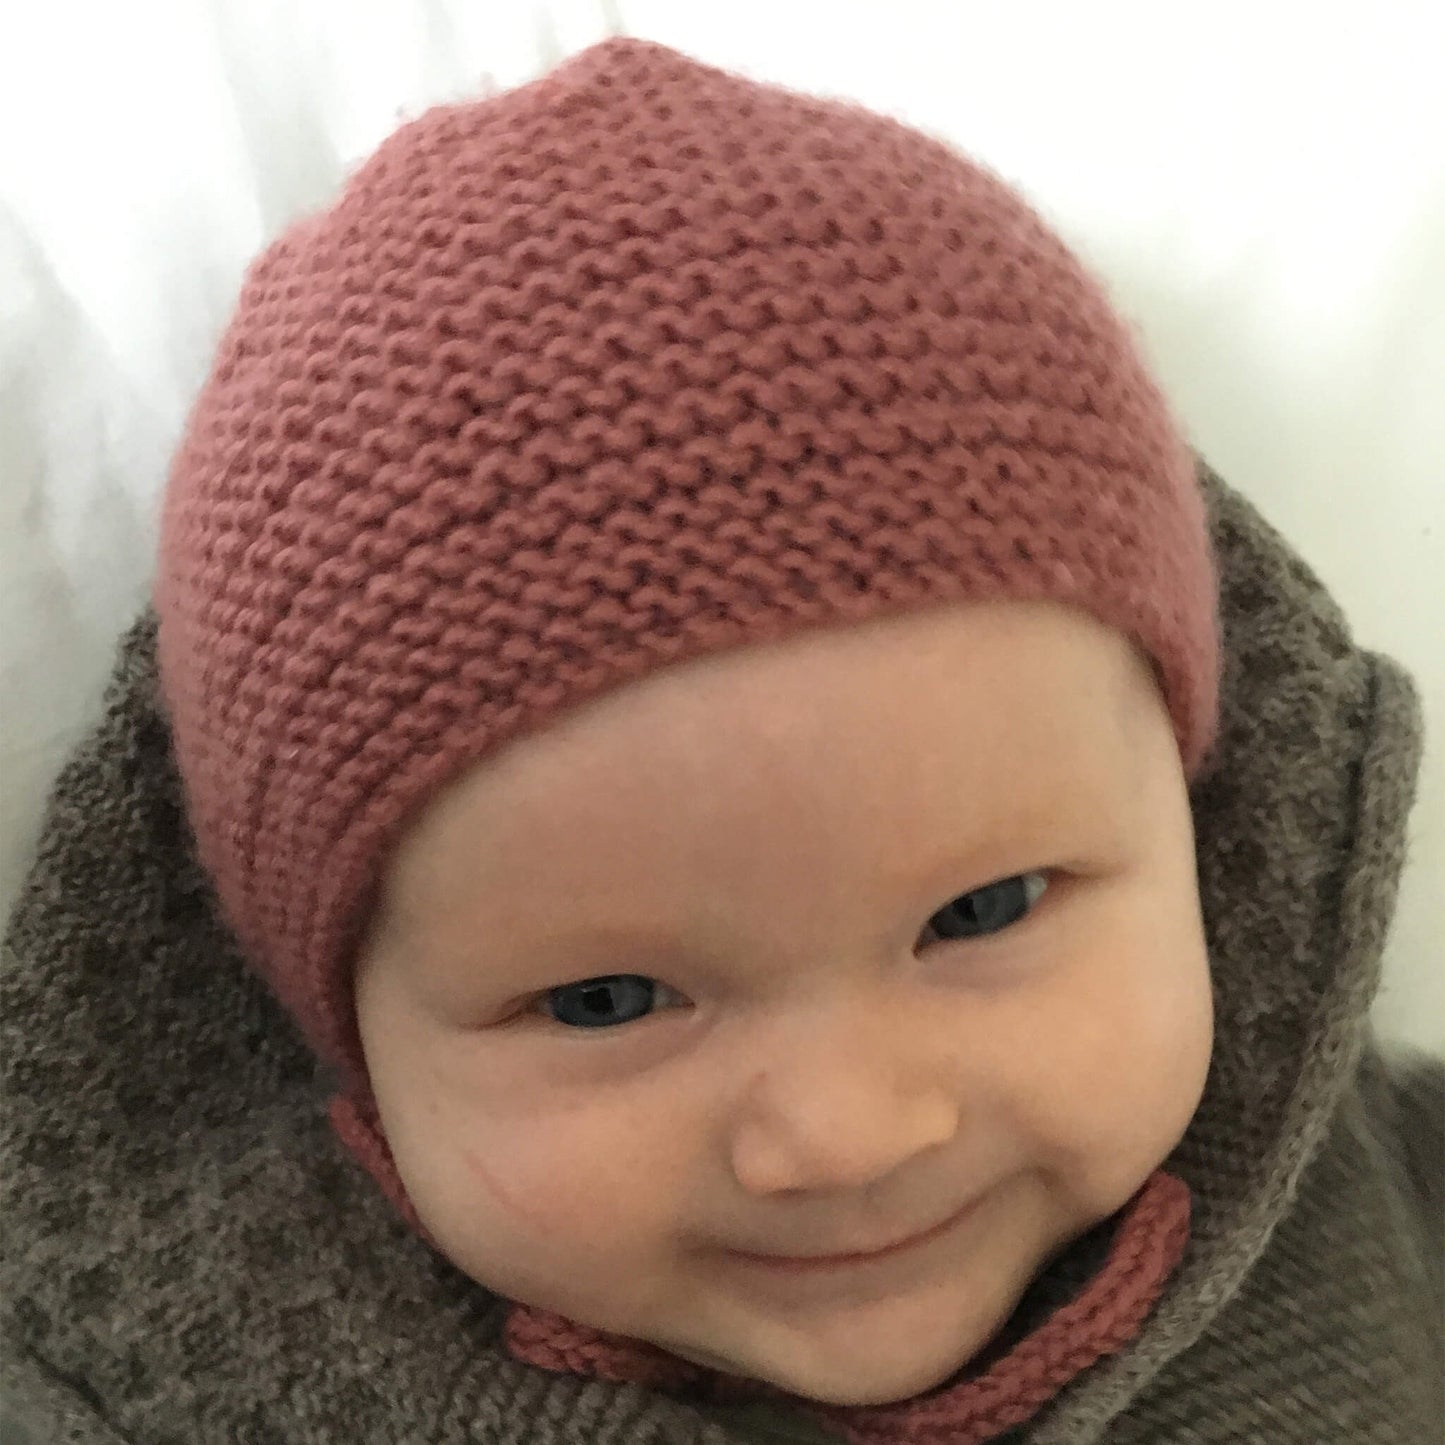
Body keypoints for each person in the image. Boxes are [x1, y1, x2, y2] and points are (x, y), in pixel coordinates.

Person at [1, 36, 1439, 1445]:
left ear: (1190, 818)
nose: (847, 1133)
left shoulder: (1361, 1168)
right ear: (350, 1031)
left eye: (983, 910)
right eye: (608, 1001)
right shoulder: (196, 1360)